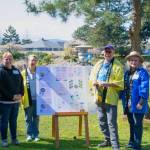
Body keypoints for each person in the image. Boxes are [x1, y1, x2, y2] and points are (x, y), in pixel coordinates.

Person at [89, 45, 124, 150]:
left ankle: (115, 146)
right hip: (99, 97)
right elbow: (91, 77)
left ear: (113, 53)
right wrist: (94, 83)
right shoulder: (98, 64)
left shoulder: (118, 66)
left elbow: (121, 83)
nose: (107, 53)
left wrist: (107, 84)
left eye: (109, 52)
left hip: (110, 98)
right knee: (102, 121)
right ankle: (107, 140)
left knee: (111, 123)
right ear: (103, 53)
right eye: (106, 51)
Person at [122, 51, 149, 150]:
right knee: (131, 123)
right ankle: (131, 141)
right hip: (128, 103)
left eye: (135, 60)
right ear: (129, 61)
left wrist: (141, 102)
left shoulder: (143, 72)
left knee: (137, 124)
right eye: (131, 60)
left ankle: (137, 145)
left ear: (139, 61)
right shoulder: (127, 73)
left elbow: (145, 88)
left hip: (138, 103)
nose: (133, 62)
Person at [0, 52, 24, 147]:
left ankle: (14, 139)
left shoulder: (16, 70)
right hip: (4, 102)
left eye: (10, 58)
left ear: (12, 60)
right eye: (6, 59)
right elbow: (1, 87)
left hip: (16, 102)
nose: (8, 60)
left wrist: (21, 94)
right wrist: (11, 96)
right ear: (2, 59)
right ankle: (4, 140)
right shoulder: (1, 71)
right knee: (4, 122)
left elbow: (21, 83)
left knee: (13, 121)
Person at [22, 55, 40, 142]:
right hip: (27, 100)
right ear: (28, 61)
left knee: (36, 118)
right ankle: (29, 135)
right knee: (28, 118)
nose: (33, 62)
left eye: (35, 60)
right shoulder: (23, 73)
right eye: (32, 60)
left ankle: (36, 135)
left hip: (38, 100)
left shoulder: (40, 72)